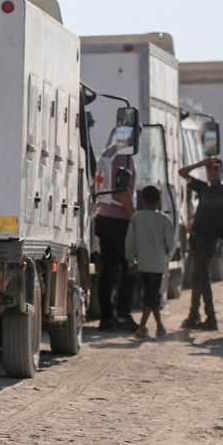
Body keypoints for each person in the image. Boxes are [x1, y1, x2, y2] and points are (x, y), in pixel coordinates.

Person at [178, 157, 223, 331]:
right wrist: (201, 163)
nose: (212, 173)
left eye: (216, 169)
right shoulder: (203, 188)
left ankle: (194, 314)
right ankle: (209, 317)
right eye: (210, 170)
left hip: (211, 239)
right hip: (197, 236)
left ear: (222, 171)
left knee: (197, 274)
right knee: (202, 277)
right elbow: (182, 173)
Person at [93, 141, 139, 332]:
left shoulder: (107, 153)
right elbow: (123, 191)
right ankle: (122, 315)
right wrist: (135, 220)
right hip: (120, 221)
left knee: (108, 270)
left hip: (103, 218)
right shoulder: (123, 157)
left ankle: (106, 319)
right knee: (130, 269)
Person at [125, 185, 175, 340]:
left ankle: (158, 327)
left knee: (150, 295)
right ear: (159, 201)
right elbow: (170, 244)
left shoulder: (136, 218)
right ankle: (143, 329)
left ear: (143, 200)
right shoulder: (164, 220)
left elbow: (130, 242)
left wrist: (131, 262)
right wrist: (165, 255)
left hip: (142, 264)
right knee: (151, 296)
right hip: (158, 265)